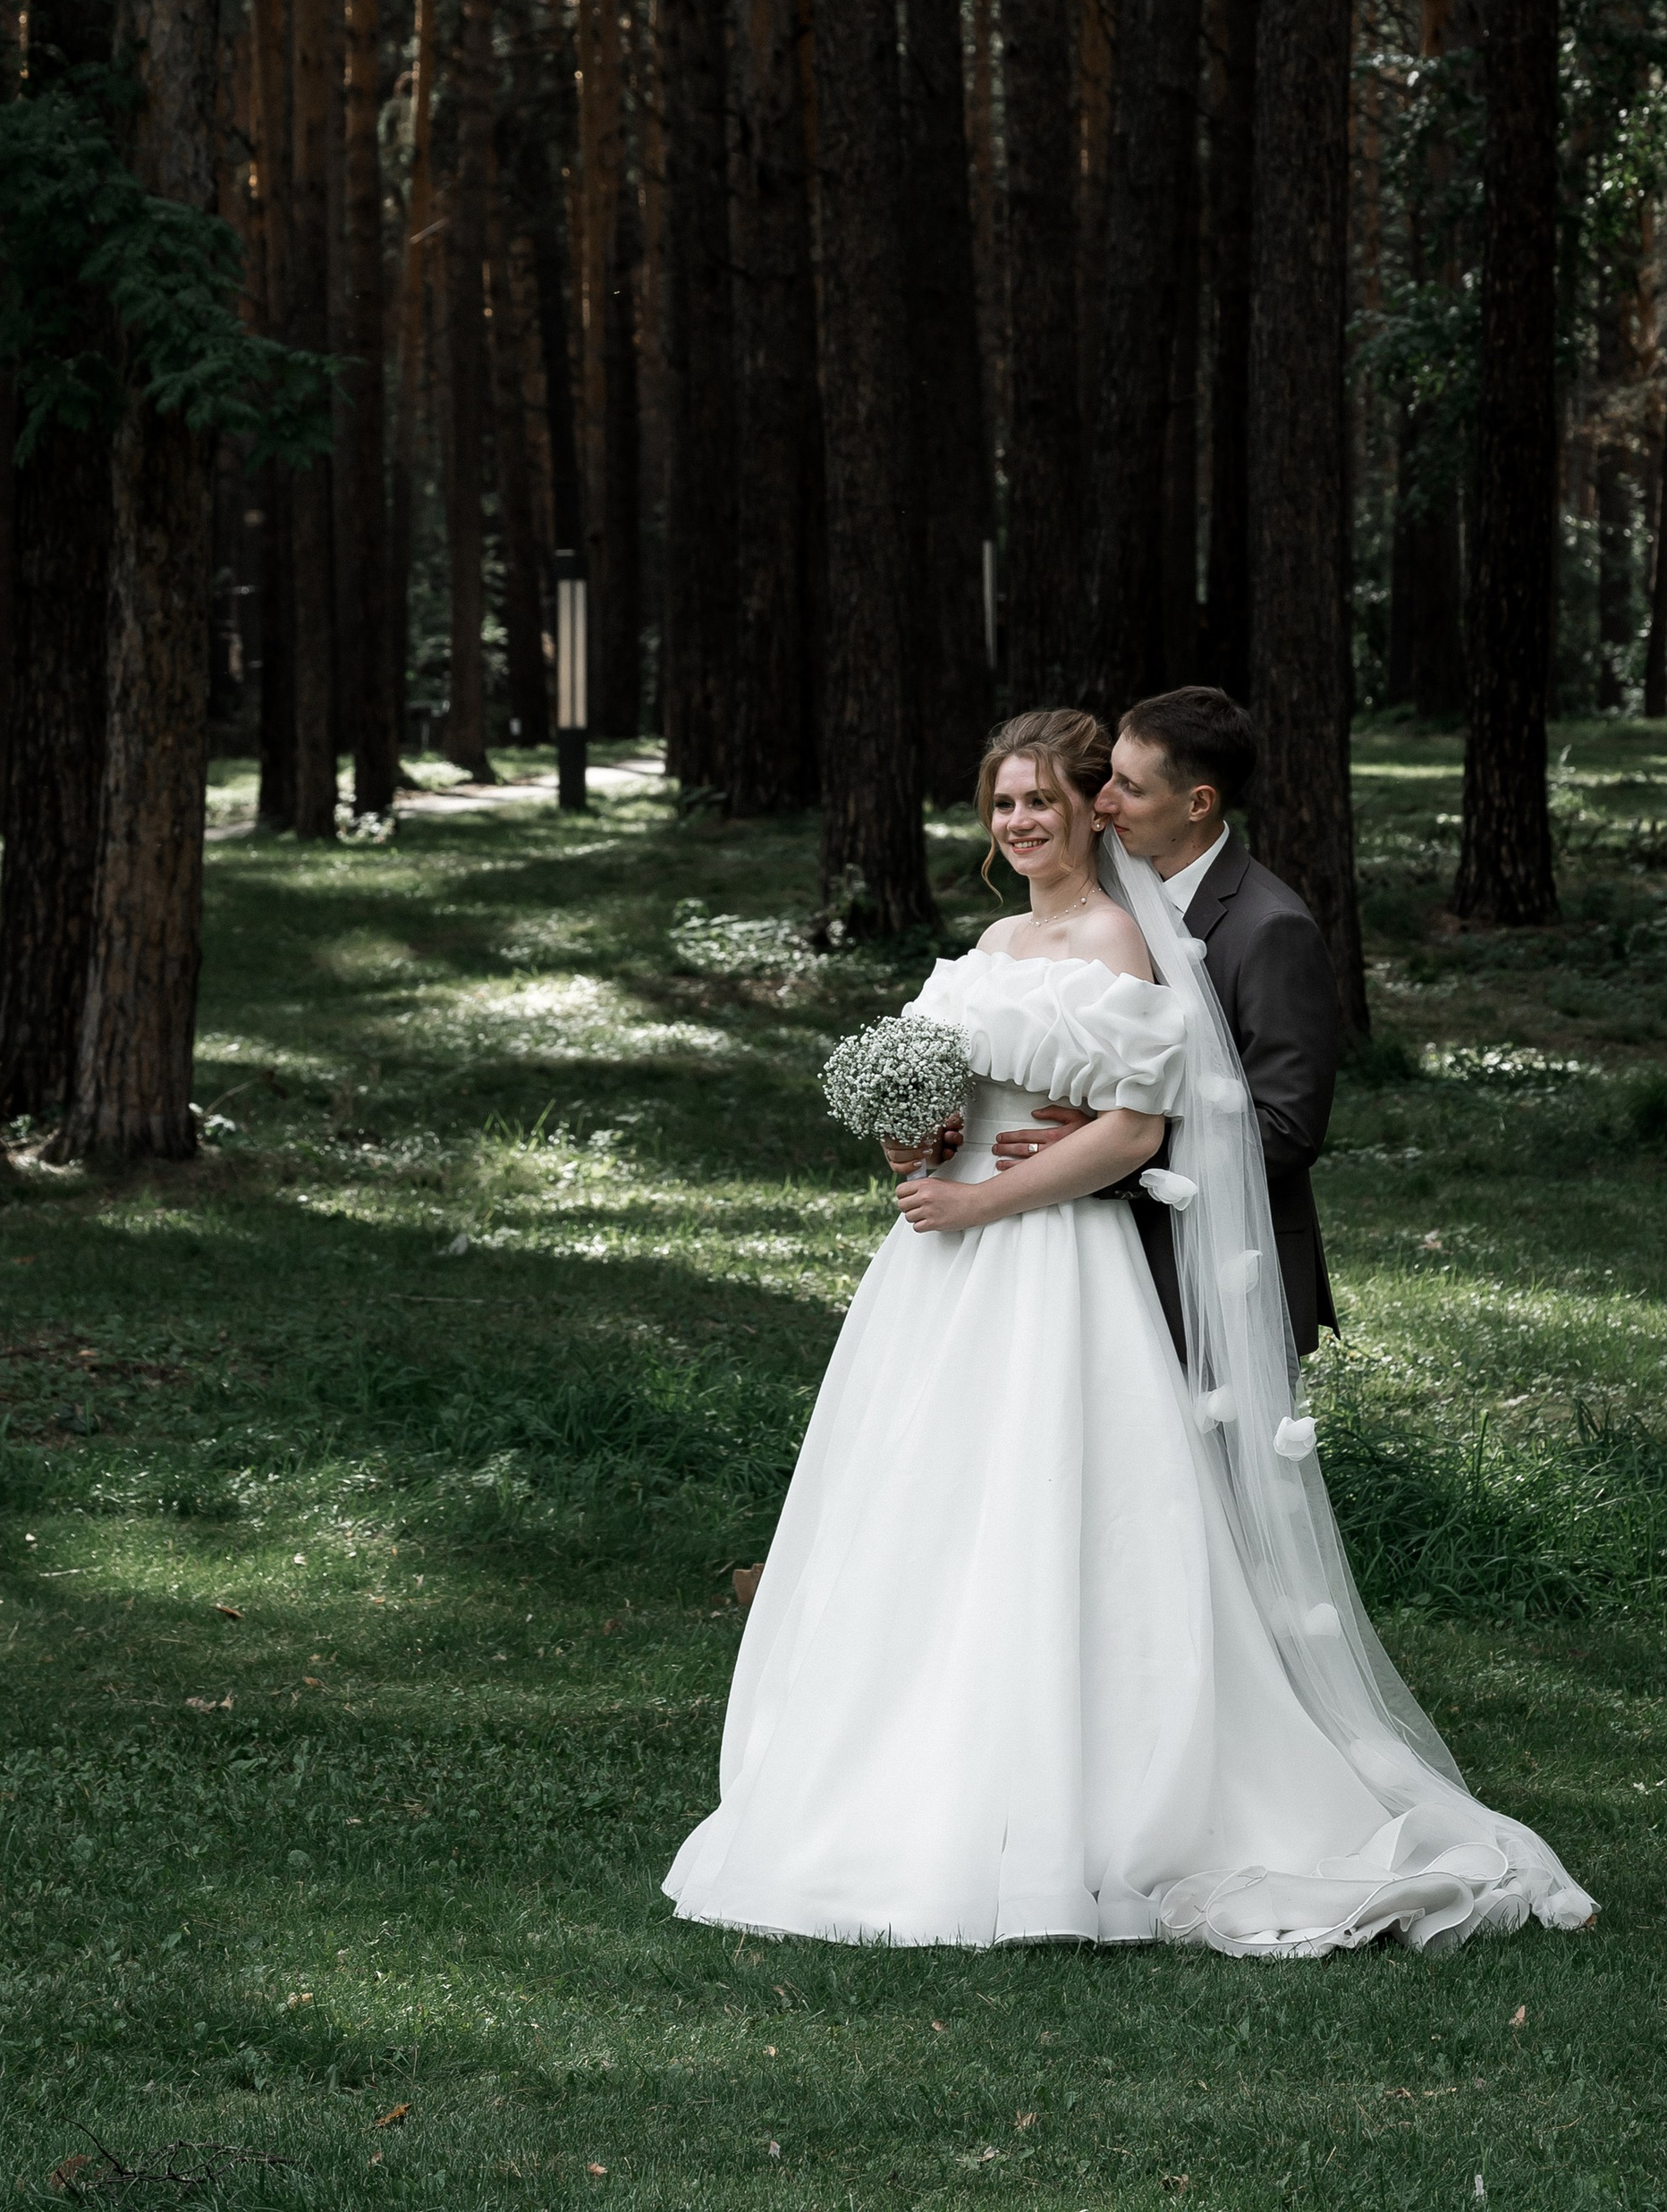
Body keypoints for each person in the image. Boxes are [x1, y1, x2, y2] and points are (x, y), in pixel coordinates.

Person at [663, 708, 1594, 1957]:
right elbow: (960, 1093)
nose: (1025, 822)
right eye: (1003, 805)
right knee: (930, 1512)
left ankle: (1082, 1805)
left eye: (1046, 800)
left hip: (1055, 1260)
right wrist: (917, 1138)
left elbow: (1139, 1131)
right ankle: (906, 1777)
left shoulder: (1121, 938)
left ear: (1097, 806)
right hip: (944, 1269)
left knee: (1063, 1513)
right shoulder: (990, 939)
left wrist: (985, 1194)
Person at [996, 687, 1340, 1373]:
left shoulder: (1271, 928)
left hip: (1216, 1252)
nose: (1102, 803)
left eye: (1129, 786)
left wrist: (1110, 1153)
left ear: (1198, 804)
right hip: (1092, 1245)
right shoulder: (1110, 902)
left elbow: (1286, 1128)